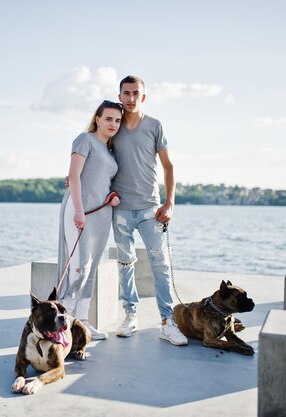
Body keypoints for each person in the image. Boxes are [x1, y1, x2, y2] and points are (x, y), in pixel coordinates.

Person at [111, 75, 188, 345]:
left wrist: (170, 203)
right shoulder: (113, 125)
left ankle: (167, 322)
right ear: (119, 95)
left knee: (161, 265)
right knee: (125, 263)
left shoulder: (154, 126)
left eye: (135, 93)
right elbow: (94, 155)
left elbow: (169, 167)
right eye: (126, 93)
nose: (130, 98)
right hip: (120, 211)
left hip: (150, 210)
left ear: (143, 97)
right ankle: (130, 316)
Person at [57, 100, 122, 340]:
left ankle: (82, 322)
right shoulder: (85, 140)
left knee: (91, 268)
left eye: (117, 120)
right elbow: (74, 175)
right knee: (77, 266)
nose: (113, 124)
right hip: (80, 210)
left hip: (102, 215)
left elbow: (104, 181)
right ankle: (64, 324)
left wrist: (113, 196)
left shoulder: (111, 150)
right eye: (108, 119)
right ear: (98, 118)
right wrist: (78, 210)